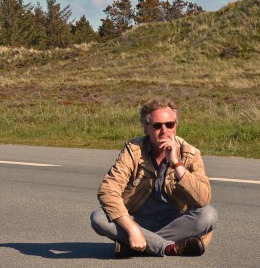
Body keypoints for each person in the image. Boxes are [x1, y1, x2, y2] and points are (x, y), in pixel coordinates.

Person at [90, 98, 217, 258]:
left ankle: (139, 246)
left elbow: (203, 199)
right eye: (157, 126)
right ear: (146, 128)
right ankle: (168, 248)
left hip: (175, 222)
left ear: (175, 126)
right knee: (98, 217)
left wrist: (177, 164)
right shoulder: (133, 150)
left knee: (208, 215)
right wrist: (133, 230)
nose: (164, 131)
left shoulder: (190, 153)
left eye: (169, 124)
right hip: (137, 219)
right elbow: (108, 191)